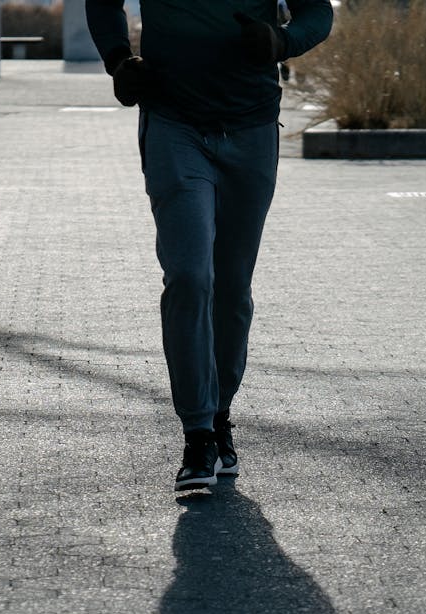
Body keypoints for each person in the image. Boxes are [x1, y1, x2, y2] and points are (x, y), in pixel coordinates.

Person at [87, 0, 333, 491]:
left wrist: (282, 41)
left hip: (252, 128)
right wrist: (118, 59)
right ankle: (197, 432)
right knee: (189, 275)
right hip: (174, 124)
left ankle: (219, 415)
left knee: (232, 288)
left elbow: (317, 12)